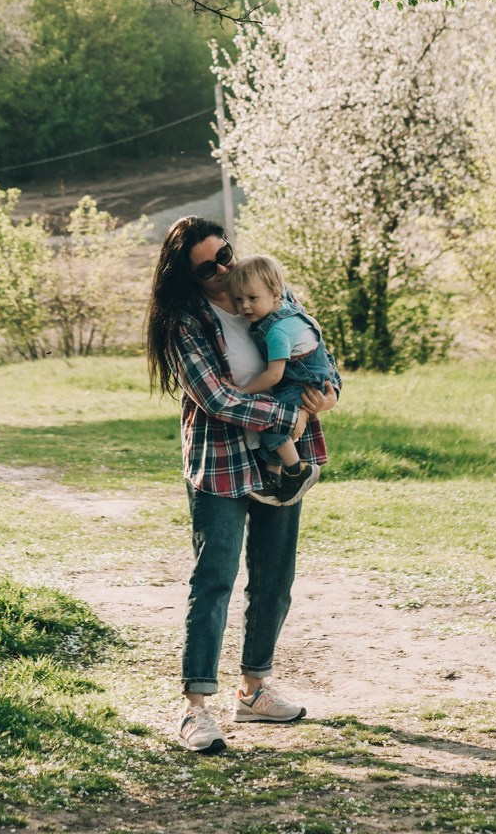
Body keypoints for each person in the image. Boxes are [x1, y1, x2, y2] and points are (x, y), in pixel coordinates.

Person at [145, 216, 340, 755]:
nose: (222, 269)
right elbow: (217, 399)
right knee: (214, 581)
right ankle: (195, 709)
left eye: (224, 253)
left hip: (282, 459)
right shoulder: (184, 321)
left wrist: (326, 395)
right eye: (207, 267)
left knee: (275, 580)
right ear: (187, 276)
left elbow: (318, 357)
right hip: (221, 462)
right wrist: (286, 414)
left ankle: (254, 691)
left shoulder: (268, 284)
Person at [226, 253, 337, 506]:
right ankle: (273, 478)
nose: (245, 306)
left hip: (302, 381)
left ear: (276, 294)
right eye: (239, 299)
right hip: (303, 375)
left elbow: (273, 375)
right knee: (274, 419)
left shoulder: (277, 330)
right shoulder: (283, 313)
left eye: (253, 298)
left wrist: (242, 390)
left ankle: (297, 471)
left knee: (271, 424)